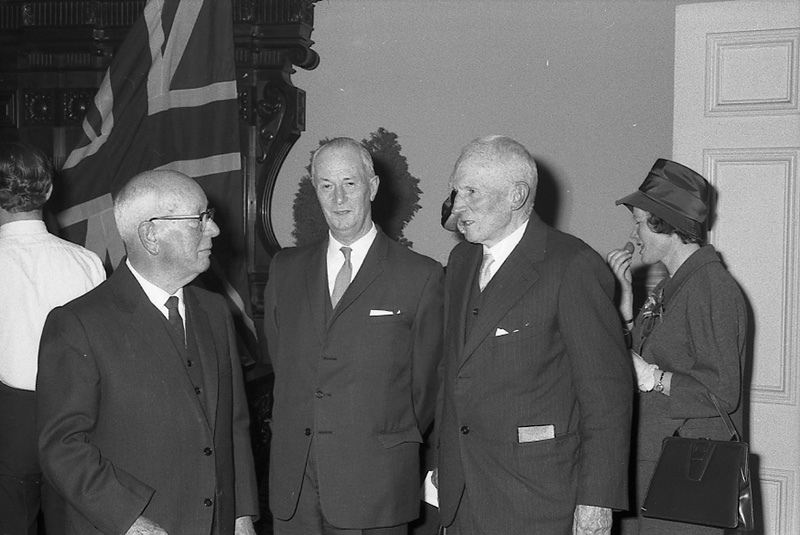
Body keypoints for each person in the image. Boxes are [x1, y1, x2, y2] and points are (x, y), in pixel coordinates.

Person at [36, 170, 259, 535]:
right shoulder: (78, 324)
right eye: (199, 219)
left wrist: (241, 514)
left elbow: (234, 424)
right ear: (150, 235)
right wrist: (129, 522)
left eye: (210, 216)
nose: (214, 230)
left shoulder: (216, 311)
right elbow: (62, 447)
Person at [435, 135, 633, 535]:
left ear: (517, 195)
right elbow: (452, 375)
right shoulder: (460, 261)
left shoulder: (572, 265)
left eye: (471, 192)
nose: (457, 207)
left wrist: (596, 501)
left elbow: (607, 395)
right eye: (457, 190)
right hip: (463, 496)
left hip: (537, 500)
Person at [263, 137, 444, 535]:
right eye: (326, 185)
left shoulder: (421, 276)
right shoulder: (285, 270)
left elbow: (426, 389)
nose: (339, 198)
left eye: (350, 183)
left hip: (375, 486)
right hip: (296, 487)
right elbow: (286, 363)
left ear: (373, 187)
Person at [606, 159, 747, 535]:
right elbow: (636, 362)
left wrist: (655, 378)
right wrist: (625, 312)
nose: (634, 235)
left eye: (637, 222)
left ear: (662, 222)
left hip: (685, 476)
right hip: (652, 464)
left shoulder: (712, 287)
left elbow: (722, 393)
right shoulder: (670, 286)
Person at [0, 142, 106, 535]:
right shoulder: (86, 260)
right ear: (47, 192)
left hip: (11, 420)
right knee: (73, 523)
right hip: (76, 415)